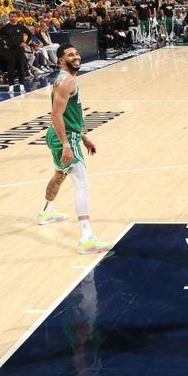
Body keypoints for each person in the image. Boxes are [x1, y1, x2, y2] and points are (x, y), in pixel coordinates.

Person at [38, 44, 112, 255]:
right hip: (64, 137)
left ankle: (45, 212)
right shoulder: (66, 81)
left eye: (77, 53)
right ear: (61, 60)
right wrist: (67, 144)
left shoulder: (64, 79)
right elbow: (55, 115)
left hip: (58, 134)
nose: (76, 56)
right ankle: (86, 239)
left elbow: (67, 116)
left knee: (59, 175)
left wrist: (84, 137)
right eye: (70, 55)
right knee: (82, 184)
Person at [0, 10, 31, 93]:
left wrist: (25, 43)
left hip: (19, 50)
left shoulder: (21, 26)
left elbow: (30, 34)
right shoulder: (5, 27)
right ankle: (11, 86)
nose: (13, 18)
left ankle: (22, 86)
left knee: (20, 68)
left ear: (17, 17)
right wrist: (3, 45)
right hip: (10, 50)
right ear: (9, 17)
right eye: (11, 17)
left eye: (14, 17)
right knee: (10, 69)